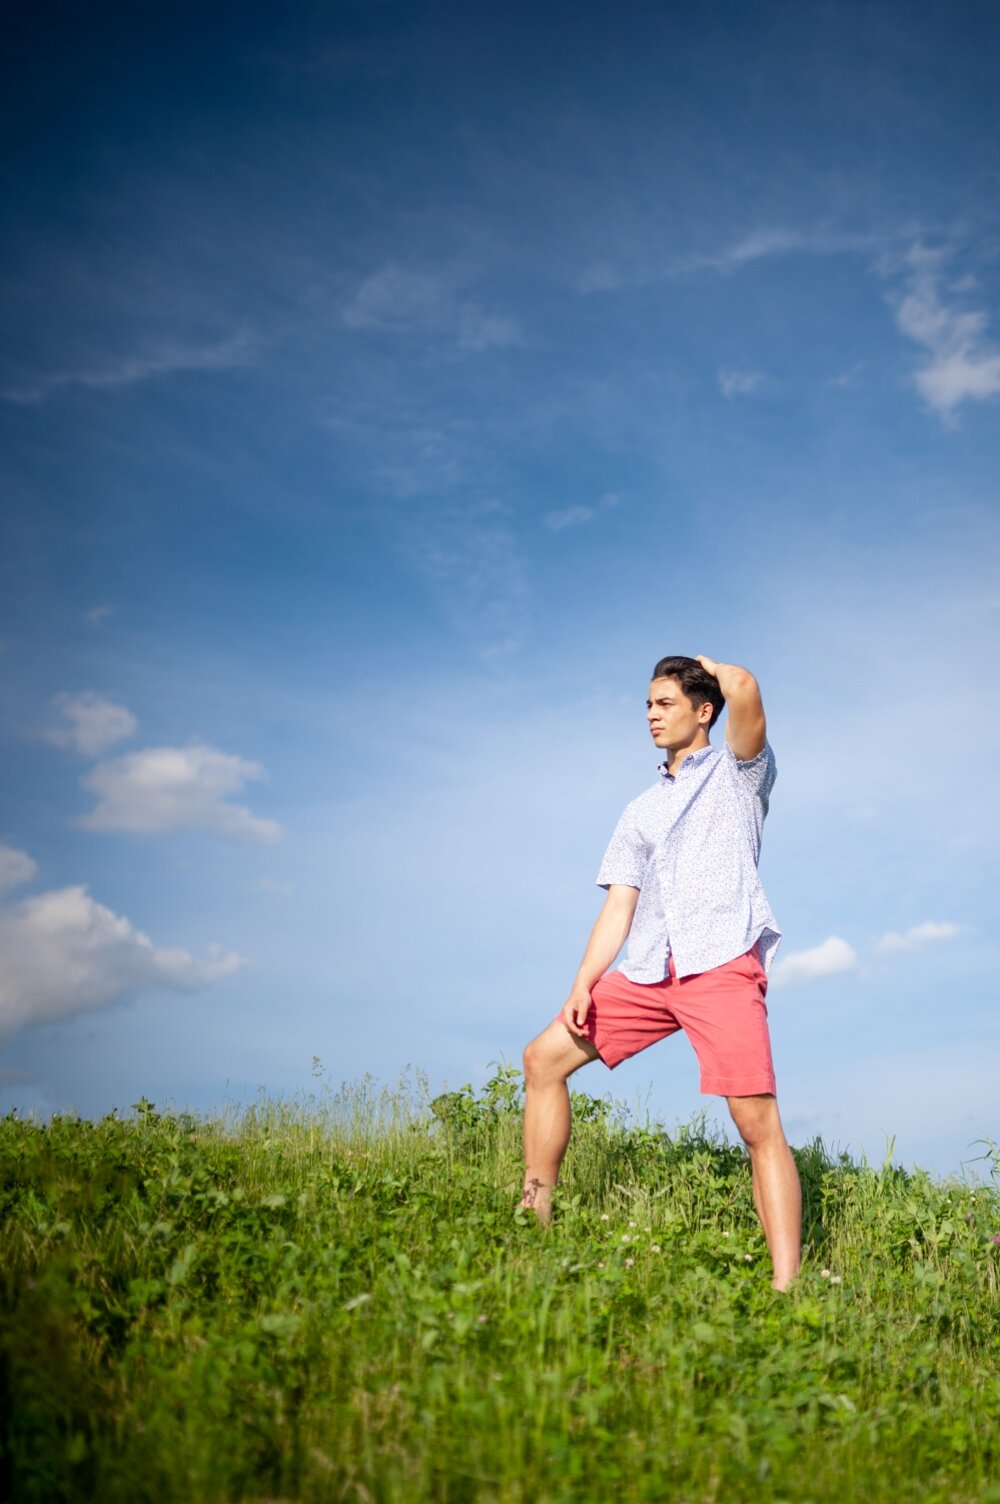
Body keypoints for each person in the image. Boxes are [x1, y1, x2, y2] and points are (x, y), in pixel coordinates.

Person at [520, 654, 801, 1290]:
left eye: (665, 702)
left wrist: (699, 664)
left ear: (703, 711)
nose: (651, 714)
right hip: (648, 972)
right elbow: (620, 905)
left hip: (721, 965)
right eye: (647, 704)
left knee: (757, 1124)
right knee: (542, 1060)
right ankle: (531, 1215)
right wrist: (582, 982)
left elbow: (746, 688)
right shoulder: (640, 811)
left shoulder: (740, 775)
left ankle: (787, 1289)